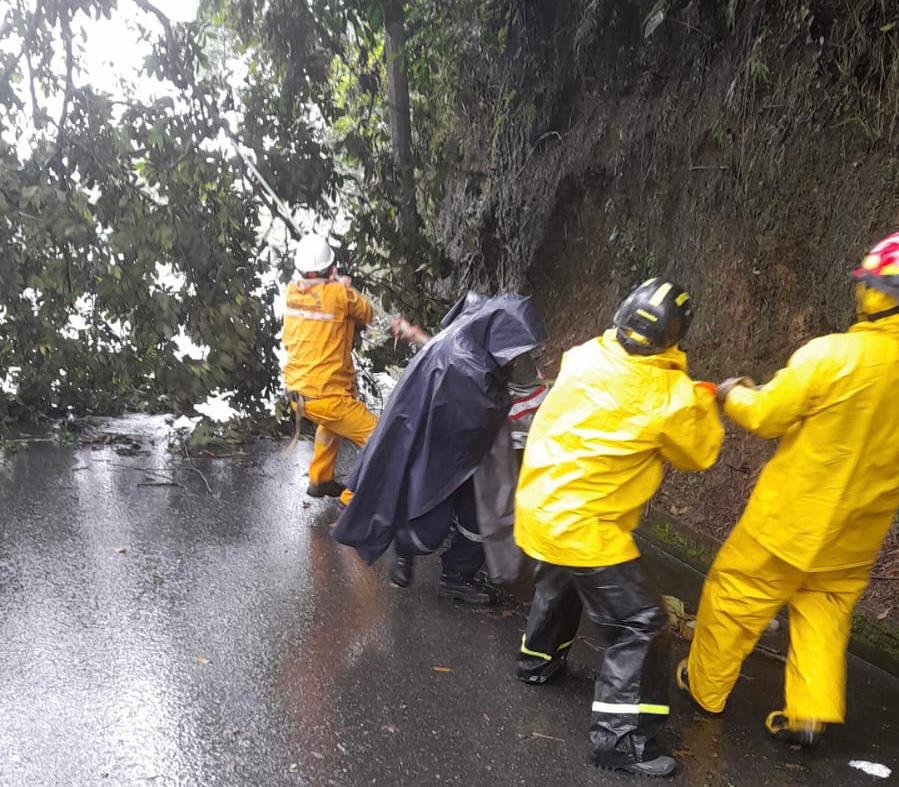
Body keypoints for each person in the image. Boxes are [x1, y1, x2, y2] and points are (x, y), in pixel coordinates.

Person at [678, 232, 899, 747]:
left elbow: (767, 415)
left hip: (789, 521)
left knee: (734, 595)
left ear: (877, 293)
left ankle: (705, 691)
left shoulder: (832, 356)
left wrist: (735, 394)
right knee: (824, 608)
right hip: (857, 533)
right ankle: (809, 715)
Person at [515, 278, 724, 778]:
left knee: (560, 580)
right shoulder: (671, 397)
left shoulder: (585, 354)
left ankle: (537, 662)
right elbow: (698, 453)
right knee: (642, 625)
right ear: (675, 336)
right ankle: (620, 739)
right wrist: (703, 400)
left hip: (541, 503)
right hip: (587, 522)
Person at [331, 293, 545, 605]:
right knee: (428, 525)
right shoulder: (467, 364)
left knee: (478, 514)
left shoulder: (475, 336)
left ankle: (457, 577)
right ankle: (404, 545)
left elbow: (518, 390)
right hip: (437, 445)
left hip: (469, 447)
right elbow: (492, 405)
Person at [282, 233, 378, 500]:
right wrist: (345, 286)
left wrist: (335, 284)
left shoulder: (291, 292)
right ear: (331, 268)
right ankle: (354, 500)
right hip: (328, 396)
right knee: (380, 438)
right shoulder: (339, 295)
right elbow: (367, 312)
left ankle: (320, 479)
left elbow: (314, 293)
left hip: (299, 395)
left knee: (331, 423)